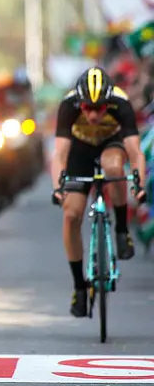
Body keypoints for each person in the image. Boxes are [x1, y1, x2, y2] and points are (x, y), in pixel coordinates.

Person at [51, 66, 146, 317]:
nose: (93, 115)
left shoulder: (121, 104)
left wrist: (139, 186)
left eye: (100, 108)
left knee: (113, 166)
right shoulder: (68, 105)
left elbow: (135, 153)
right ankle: (79, 286)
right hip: (79, 151)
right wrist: (57, 187)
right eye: (87, 109)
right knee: (71, 214)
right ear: (79, 103)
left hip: (111, 145)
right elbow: (59, 154)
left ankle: (121, 230)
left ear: (109, 103)